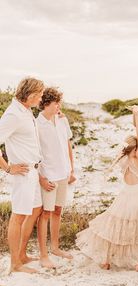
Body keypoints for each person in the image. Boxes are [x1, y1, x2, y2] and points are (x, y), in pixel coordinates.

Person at [76, 105, 138, 271]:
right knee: (132, 227)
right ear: (136, 148)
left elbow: (135, 177)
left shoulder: (123, 159)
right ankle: (134, 261)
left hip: (125, 196)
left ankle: (105, 259)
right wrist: (136, 113)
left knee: (114, 226)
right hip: (137, 198)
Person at [0, 77, 44, 273]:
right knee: (18, 216)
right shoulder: (13, 115)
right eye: (40, 94)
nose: (41, 98)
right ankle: (15, 264)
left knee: (35, 209)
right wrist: (8, 168)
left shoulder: (25, 111)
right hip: (23, 174)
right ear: (31, 95)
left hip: (34, 171)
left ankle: (22, 255)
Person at [37, 87, 74, 268]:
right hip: (48, 175)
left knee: (58, 211)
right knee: (45, 213)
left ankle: (55, 248)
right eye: (55, 103)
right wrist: (41, 178)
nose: (58, 105)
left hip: (63, 173)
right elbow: (35, 154)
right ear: (45, 104)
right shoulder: (37, 124)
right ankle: (43, 254)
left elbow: (68, 145)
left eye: (59, 102)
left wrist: (71, 170)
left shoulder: (62, 120)